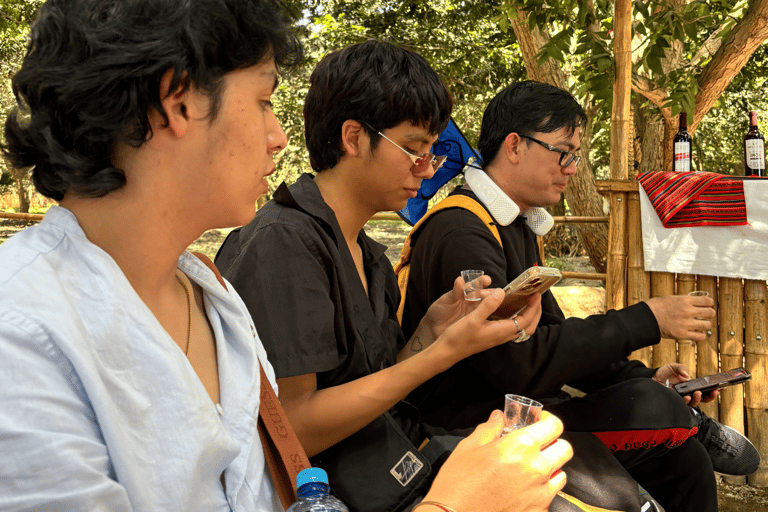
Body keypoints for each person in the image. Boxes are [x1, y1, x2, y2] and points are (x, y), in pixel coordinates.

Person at [0, 3, 571, 511]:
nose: (278, 136)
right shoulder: (22, 336)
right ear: (177, 103)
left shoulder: (214, 300)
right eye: (263, 101)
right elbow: (306, 425)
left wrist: (427, 337)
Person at [215, 40, 577, 512]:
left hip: (398, 465)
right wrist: (443, 354)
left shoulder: (371, 257)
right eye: (413, 148)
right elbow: (293, 427)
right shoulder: (284, 242)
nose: (426, 169)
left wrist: (429, 331)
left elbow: (374, 385)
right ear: (353, 138)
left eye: (433, 152)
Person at [400, 80, 761, 512]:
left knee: (684, 457)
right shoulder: (462, 231)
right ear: (514, 146)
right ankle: (683, 419)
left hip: (527, 409)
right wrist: (645, 319)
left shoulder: (515, 224)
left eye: (576, 156)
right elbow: (515, 367)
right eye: (564, 152)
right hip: (472, 428)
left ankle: (679, 417)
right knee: (646, 416)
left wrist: (640, 375)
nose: (573, 167)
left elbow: (554, 335)